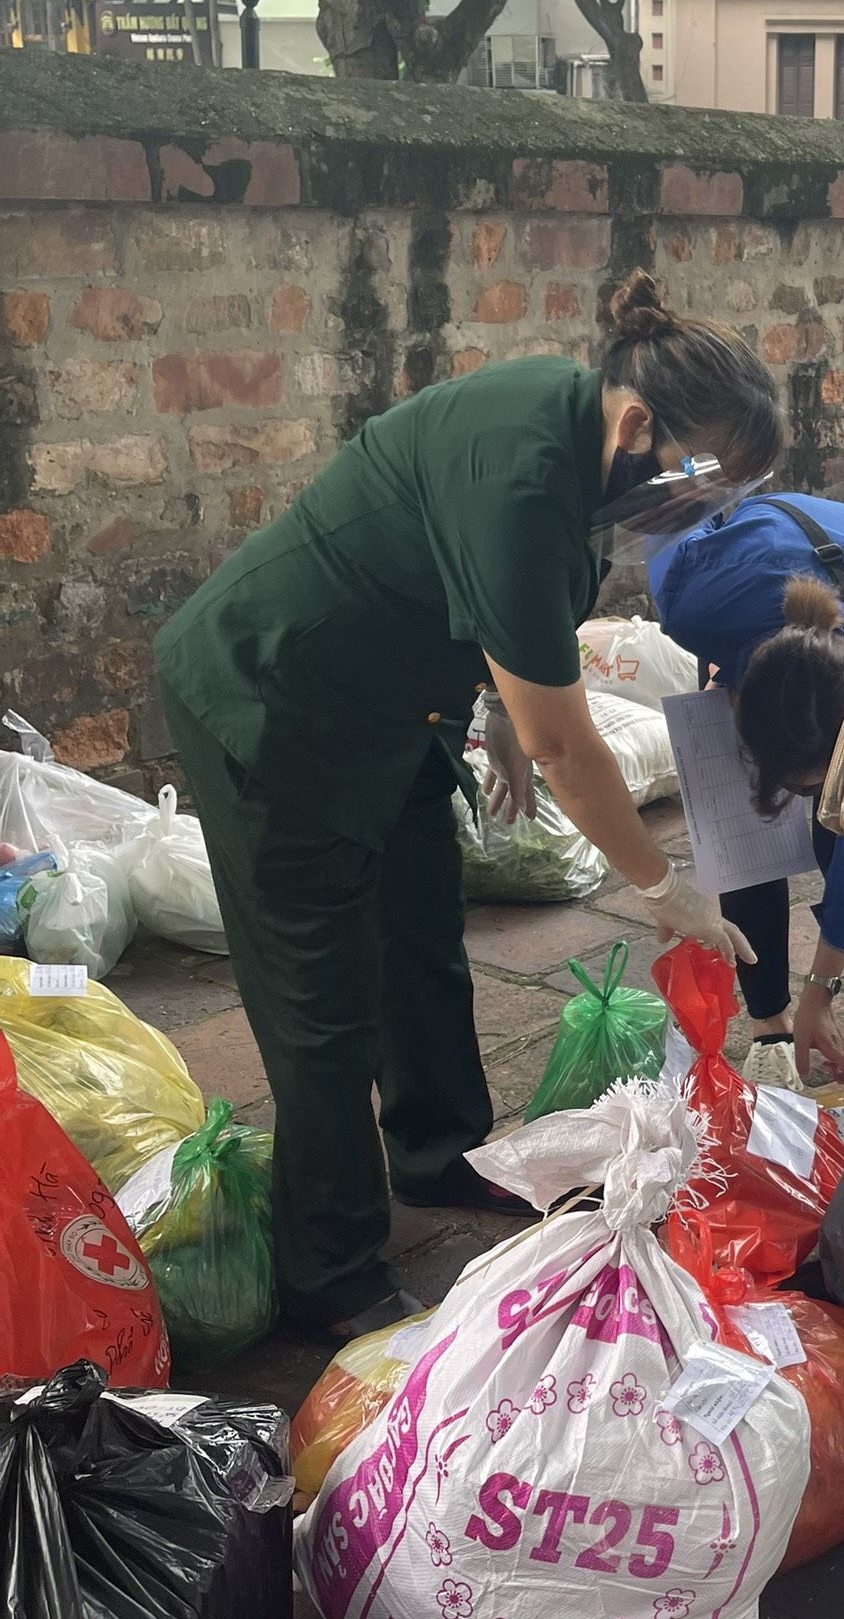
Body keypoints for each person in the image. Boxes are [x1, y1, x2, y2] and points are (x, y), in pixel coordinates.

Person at [155, 273, 781, 1340]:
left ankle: (441, 1154)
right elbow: (567, 741)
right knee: (322, 1004)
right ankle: (333, 1273)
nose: (699, 509)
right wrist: (659, 883)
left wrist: (493, 703)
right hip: (272, 701)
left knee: (421, 929)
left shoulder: (575, 427)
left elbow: (488, 598)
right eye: (703, 479)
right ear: (639, 424)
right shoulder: (528, 477)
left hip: (395, 702)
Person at [648, 493, 844, 1090]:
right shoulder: (691, 602)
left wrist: (822, 987)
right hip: (746, 567)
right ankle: (770, 1028)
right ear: (736, 698)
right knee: (743, 840)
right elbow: (675, 500)